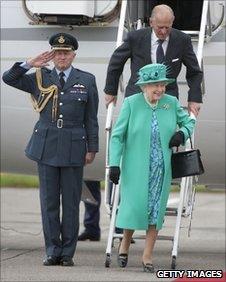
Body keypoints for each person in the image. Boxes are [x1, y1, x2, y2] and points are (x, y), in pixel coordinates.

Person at [2, 33, 99, 266]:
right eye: (57, 52)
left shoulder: (86, 79)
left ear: (73, 55)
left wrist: (92, 147)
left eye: (66, 53)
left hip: (75, 145)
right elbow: (8, 78)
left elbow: (91, 118)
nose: (62, 56)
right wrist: (28, 64)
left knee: (71, 202)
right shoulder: (38, 77)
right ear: (52, 55)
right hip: (46, 145)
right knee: (49, 202)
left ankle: (67, 253)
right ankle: (52, 250)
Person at [109, 63, 196, 272]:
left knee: (156, 211)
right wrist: (114, 163)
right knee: (134, 207)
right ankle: (124, 244)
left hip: (161, 169)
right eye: (155, 85)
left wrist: (181, 134)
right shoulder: (131, 103)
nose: (160, 89)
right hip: (135, 167)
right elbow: (118, 136)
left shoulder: (171, 102)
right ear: (144, 87)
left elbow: (189, 122)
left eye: (163, 85)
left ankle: (147, 256)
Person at [104, 4, 203, 117]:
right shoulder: (135, 38)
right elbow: (116, 63)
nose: (164, 31)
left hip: (167, 98)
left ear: (172, 22)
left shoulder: (182, 40)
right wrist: (110, 91)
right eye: (160, 27)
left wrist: (194, 98)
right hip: (137, 96)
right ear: (151, 23)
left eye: (167, 27)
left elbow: (194, 72)